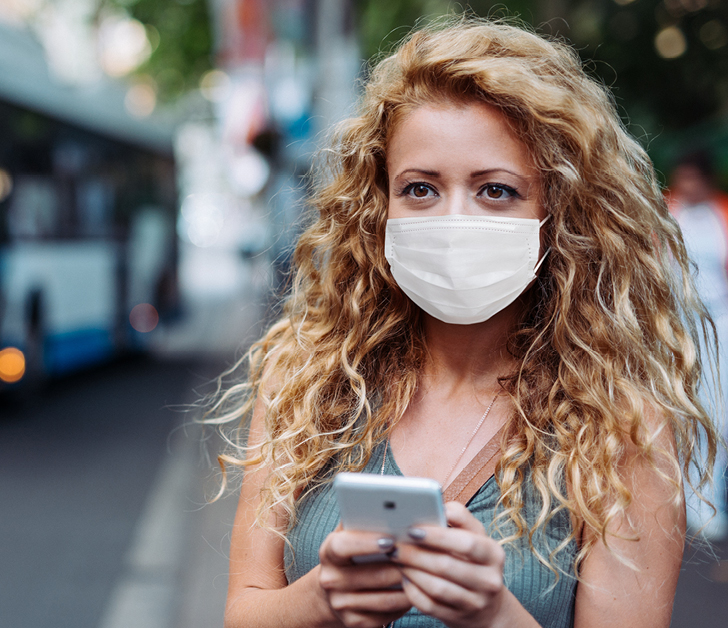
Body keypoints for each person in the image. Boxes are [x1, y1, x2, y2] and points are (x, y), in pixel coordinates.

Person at [207, 18, 720, 628]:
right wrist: (322, 597)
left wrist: (493, 613)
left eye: (496, 191)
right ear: (380, 205)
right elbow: (244, 612)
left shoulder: (620, 424)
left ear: (557, 212)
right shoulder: (307, 380)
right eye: (420, 189)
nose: (453, 219)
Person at [668, 150, 728, 540]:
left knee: (717, 412)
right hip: (675, 323)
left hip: (719, 322)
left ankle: (710, 500)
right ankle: (678, 498)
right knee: (676, 407)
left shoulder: (719, 216)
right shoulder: (665, 213)